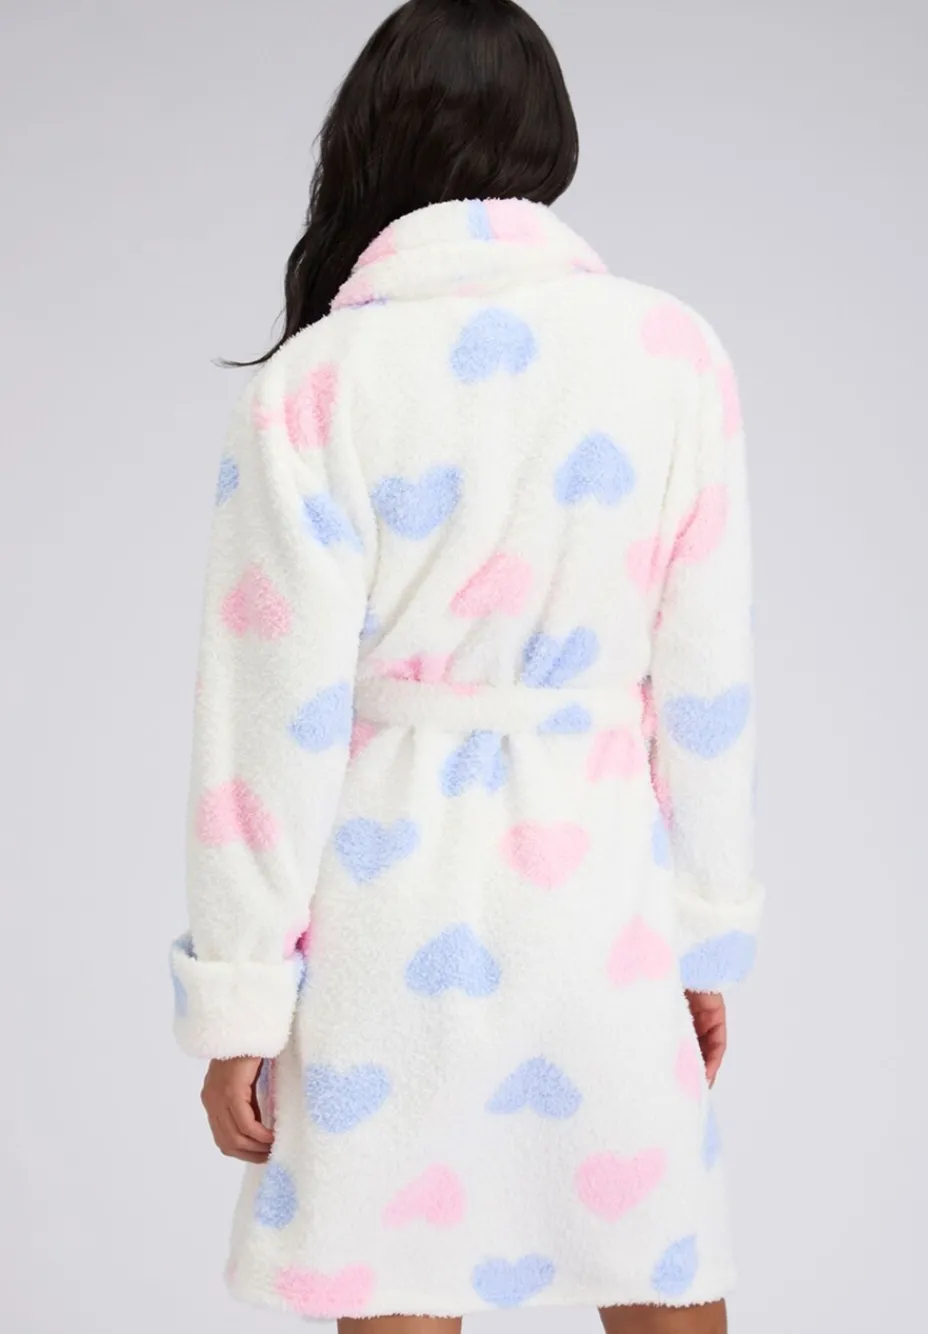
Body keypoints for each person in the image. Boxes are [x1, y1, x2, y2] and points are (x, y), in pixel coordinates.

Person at [168, 1, 764, 1331]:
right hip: (602, 897)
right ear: (550, 142)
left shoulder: (316, 385)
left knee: (397, 1270)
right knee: (660, 1268)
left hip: (385, 913)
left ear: (369, 139)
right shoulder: (670, 354)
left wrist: (241, 998)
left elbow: (266, 726)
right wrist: (702, 932)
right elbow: (707, 682)